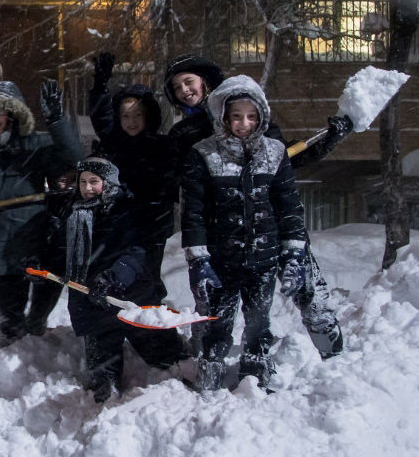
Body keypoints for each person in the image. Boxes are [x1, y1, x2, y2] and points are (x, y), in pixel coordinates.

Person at [163, 53, 350, 359]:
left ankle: (334, 360)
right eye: (176, 87)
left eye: (188, 81)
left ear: (204, 81)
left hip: (272, 225)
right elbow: (177, 184)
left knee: (308, 291)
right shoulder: (184, 135)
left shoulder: (249, 110)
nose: (184, 90)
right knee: (212, 307)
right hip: (225, 236)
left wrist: (328, 140)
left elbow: (286, 158)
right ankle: (205, 363)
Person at [17, 157, 189, 402]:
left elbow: (137, 253)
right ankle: (106, 407)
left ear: (108, 183)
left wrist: (112, 279)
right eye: (82, 182)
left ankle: (185, 390)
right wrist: (40, 265)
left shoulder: (127, 211)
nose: (87, 188)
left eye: (94, 181)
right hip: (92, 307)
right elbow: (62, 253)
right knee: (103, 380)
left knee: (166, 359)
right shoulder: (74, 214)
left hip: (131, 301)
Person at [180, 76, 310, 390]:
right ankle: (210, 374)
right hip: (221, 260)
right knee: (217, 323)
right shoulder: (204, 154)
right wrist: (198, 259)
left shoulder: (275, 152)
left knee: (258, 322)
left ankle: (255, 374)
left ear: (261, 116)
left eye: (251, 116)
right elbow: (193, 212)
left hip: (263, 258)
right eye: (236, 116)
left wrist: (294, 252)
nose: (244, 123)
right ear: (223, 117)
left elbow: (289, 205)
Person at [0, 78, 85, 343]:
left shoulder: (36, 146)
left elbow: (76, 160)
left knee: (23, 316)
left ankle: (29, 339)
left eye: (1, 112)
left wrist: (57, 121)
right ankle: (3, 323)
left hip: (26, 240)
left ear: (14, 114)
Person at [88, 56, 178, 302]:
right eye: (125, 116)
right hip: (119, 220)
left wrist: (160, 196)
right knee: (119, 268)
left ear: (148, 115)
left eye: (137, 115)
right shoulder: (115, 144)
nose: (132, 121)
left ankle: (153, 309)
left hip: (152, 220)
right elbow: (101, 118)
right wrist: (100, 87)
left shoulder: (161, 146)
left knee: (146, 271)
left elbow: (170, 181)